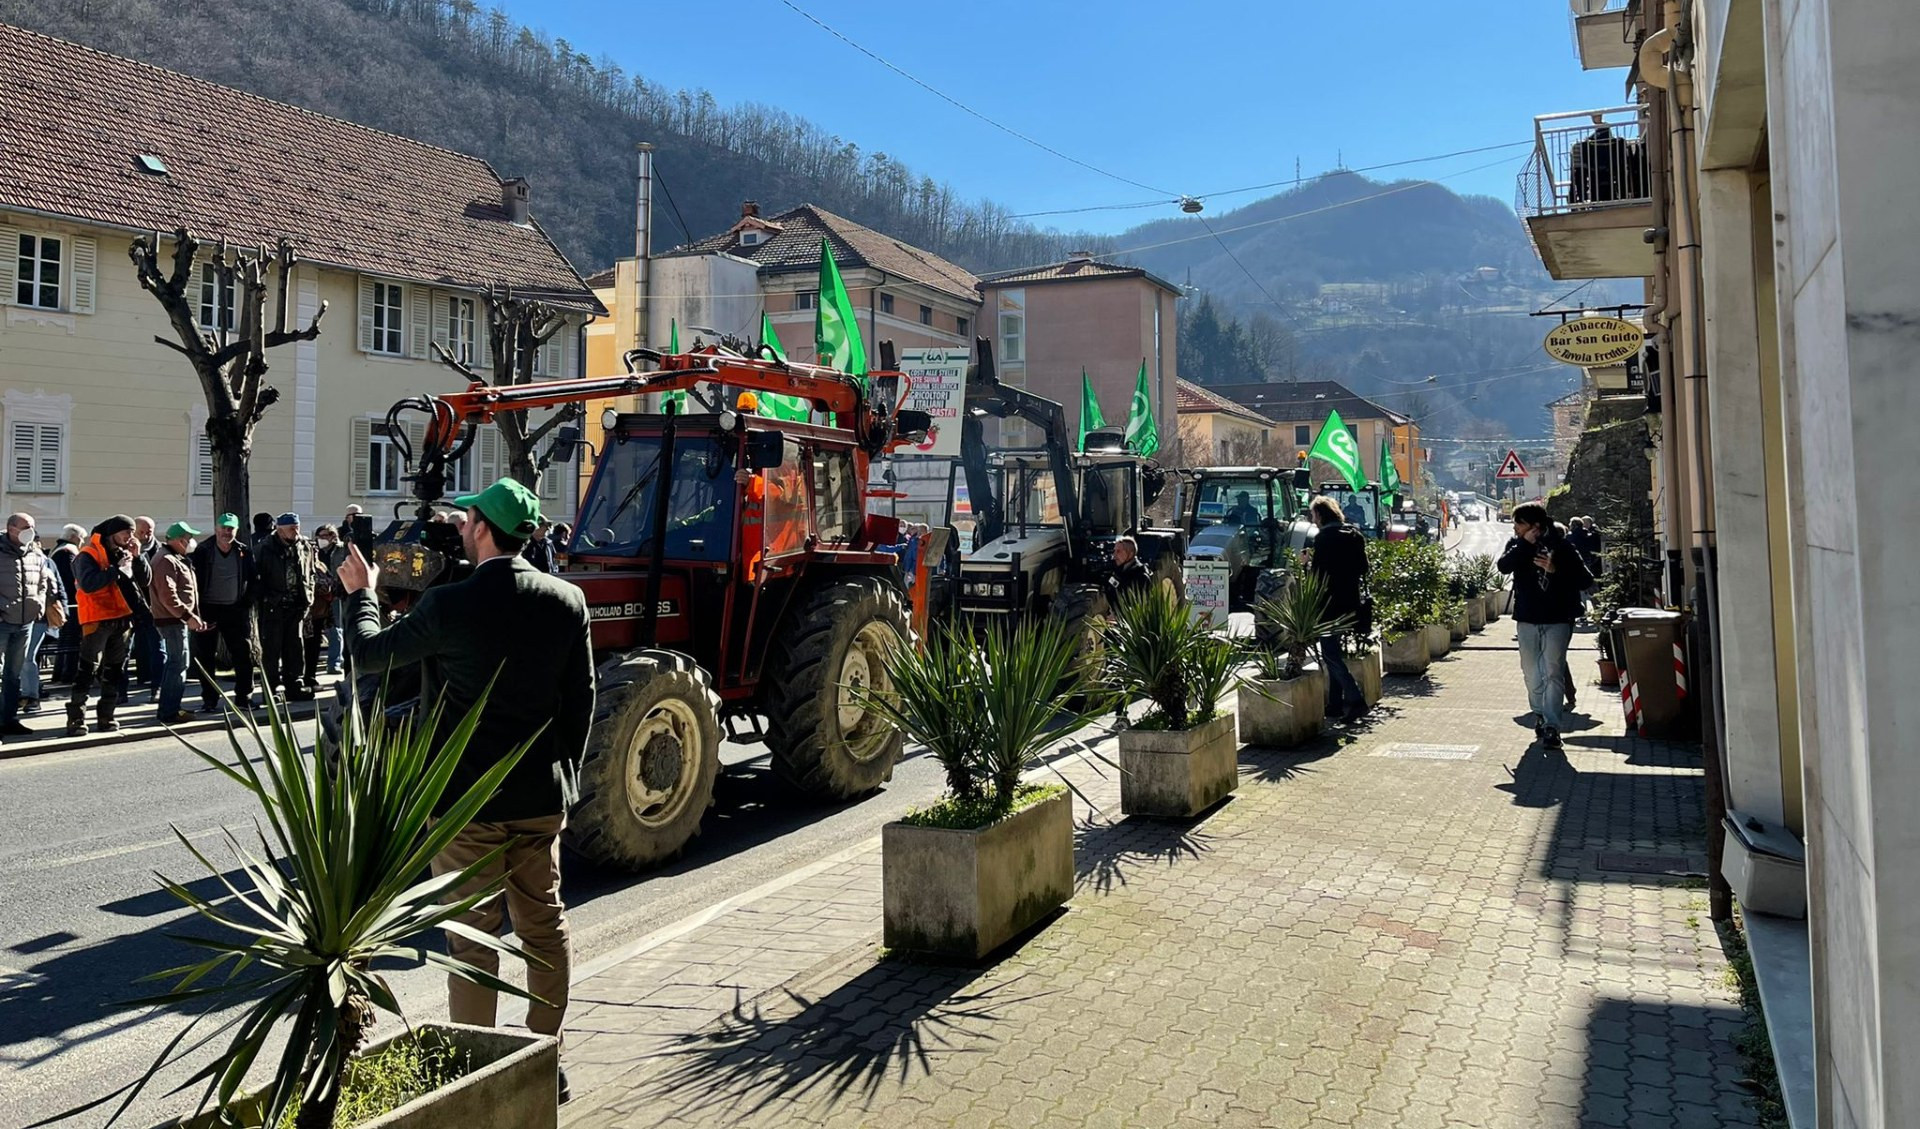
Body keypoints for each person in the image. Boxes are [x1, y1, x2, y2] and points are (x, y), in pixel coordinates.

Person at [337, 478, 592, 1098]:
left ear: (482, 528)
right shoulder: (567, 600)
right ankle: (544, 1056)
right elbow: (580, 702)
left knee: (471, 939)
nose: (458, 526)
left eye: (466, 518)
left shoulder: (450, 605)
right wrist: (566, 782)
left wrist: (363, 594)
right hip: (538, 800)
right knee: (544, 926)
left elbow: (369, 657)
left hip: (462, 807)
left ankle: (479, 1070)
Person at [1498, 504, 1593, 751]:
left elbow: (1585, 580)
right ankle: (1539, 712)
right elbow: (1503, 567)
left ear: (1535, 526)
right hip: (1528, 618)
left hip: (1558, 618)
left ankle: (1552, 726)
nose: (1514, 528)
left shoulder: (1563, 546)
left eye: (1519, 523)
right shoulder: (1517, 545)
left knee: (1553, 671)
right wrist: (1525, 544)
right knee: (1531, 672)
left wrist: (1555, 570)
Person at [69, 515, 150, 736]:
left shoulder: (124, 553)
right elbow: (88, 584)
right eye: (126, 532)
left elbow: (144, 582)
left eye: (132, 532)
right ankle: (76, 719)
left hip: (122, 618)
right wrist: (117, 570)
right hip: (96, 619)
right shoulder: (88, 554)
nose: (130, 536)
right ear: (113, 533)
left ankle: (107, 717)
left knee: (115, 671)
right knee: (87, 669)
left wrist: (138, 557)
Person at [1307, 495, 1371, 724]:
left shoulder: (1323, 539)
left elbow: (1316, 576)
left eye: (1314, 515)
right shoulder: (1354, 535)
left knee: (1330, 655)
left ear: (1321, 515)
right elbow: (1363, 568)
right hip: (1350, 603)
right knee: (1334, 652)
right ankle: (1334, 704)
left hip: (1328, 605)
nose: (1313, 520)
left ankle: (1355, 701)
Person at [191, 513, 259, 713]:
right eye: (223, 528)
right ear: (216, 528)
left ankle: (243, 698)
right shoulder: (203, 550)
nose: (226, 532)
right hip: (207, 610)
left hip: (234, 610)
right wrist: (197, 610)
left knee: (243, 655)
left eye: (231, 528)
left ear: (236, 530)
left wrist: (246, 603)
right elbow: (193, 581)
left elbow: (254, 579)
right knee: (205, 657)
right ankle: (209, 700)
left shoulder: (243, 551)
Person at [0, 513, 53, 737]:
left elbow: (43, 581)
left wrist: (40, 604)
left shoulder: (35, 553)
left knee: (13, 674)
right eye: (25, 526)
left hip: (25, 622)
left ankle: (9, 719)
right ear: (11, 528)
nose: (30, 530)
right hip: (3, 621)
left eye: (32, 526)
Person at [148, 522, 206, 724]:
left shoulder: (173, 558)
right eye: (189, 538)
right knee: (177, 664)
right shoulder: (166, 560)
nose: (191, 542)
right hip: (172, 620)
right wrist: (187, 616)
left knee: (178, 663)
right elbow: (168, 595)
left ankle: (172, 708)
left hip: (175, 619)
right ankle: (169, 711)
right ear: (180, 539)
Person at [255, 513, 317, 701]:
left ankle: (294, 686)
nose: (295, 531)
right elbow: (257, 578)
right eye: (291, 528)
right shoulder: (265, 548)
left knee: (295, 649)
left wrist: (309, 596)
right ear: (279, 529)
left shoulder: (305, 546)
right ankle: (270, 690)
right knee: (272, 650)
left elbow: (311, 572)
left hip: (297, 606)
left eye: (297, 527)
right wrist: (267, 599)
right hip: (273, 606)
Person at [20, 547, 65, 715]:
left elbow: (55, 588)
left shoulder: (40, 559)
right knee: (20, 658)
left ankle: (31, 696)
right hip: (17, 616)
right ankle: (23, 695)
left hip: (35, 617)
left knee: (27, 656)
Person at [130, 516, 163, 697]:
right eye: (141, 532)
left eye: (149, 531)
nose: (145, 535)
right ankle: (138, 678)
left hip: (153, 605)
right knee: (128, 648)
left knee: (158, 646)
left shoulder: (160, 550)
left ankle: (157, 686)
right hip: (131, 605)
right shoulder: (124, 549)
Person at [49, 524, 84, 684]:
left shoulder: (58, 550)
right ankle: (68, 674)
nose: (82, 542)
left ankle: (60, 674)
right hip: (71, 603)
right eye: (81, 538)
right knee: (71, 640)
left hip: (65, 602)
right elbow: (71, 579)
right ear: (73, 537)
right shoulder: (67, 552)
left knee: (65, 640)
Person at [315, 524, 349, 676]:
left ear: (332, 536)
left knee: (336, 629)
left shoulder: (341, 550)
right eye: (319, 536)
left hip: (336, 593)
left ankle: (334, 662)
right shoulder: (315, 551)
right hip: (319, 594)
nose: (321, 539)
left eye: (324, 536)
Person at [1105, 535, 1153, 608]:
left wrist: (1118, 615)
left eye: (1119, 551)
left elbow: (1142, 606)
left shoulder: (1141, 577)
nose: (1114, 555)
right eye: (1114, 551)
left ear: (1130, 554)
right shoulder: (1117, 571)